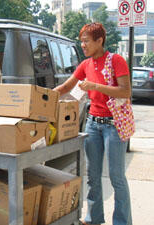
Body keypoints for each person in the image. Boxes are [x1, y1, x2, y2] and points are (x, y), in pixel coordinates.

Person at [53, 22, 132, 225]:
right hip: (92, 125)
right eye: (81, 41)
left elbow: (125, 91)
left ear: (99, 41)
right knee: (92, 176)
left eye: (86, 41)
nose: (83, 45)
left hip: (114, 125)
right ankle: (93, 218)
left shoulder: (116, 61)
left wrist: (95, 85)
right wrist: (40, 96)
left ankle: (122, 221)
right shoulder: (85, 65)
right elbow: (66, 87)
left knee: (116, 177)